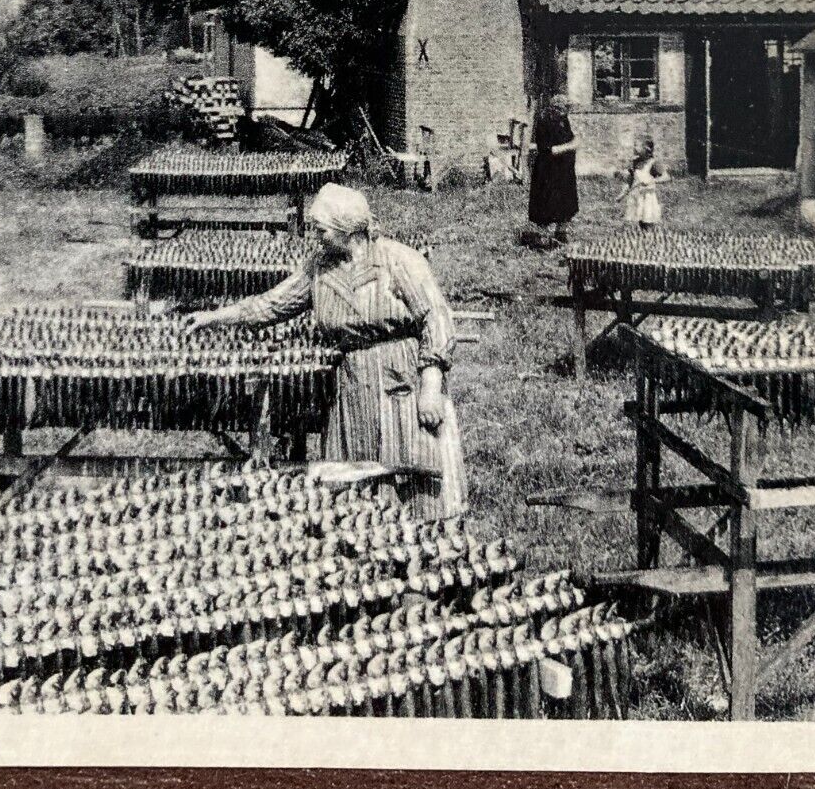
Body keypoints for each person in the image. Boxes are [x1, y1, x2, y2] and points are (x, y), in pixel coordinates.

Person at [187, 182, 467, 520]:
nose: (315, 236)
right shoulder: (320, 267)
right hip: (352, 386)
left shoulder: (398, 260)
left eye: (320, 229)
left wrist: (431, 386)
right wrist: (213, 317)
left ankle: (426, 542)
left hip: (401, 382)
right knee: (353, 476)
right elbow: (271, 305)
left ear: (347, 229)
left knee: (411, 466)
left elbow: (435, 318)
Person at [528, 91, 579, 246]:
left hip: (564, 168)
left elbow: (569, 137)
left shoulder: (563, 119)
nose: (567, 111)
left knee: (565, 200)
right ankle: (542, 238)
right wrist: (570, 146)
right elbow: (548, 149)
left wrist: (573, 142)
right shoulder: (545, 120)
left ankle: (560, 233)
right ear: (557, 107)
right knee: (547, 199)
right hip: (549, 168)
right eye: (565, 107)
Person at [619, 137, 668, 228]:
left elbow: (666, 177)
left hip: (647, 196)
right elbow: (630, 179)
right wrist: (622, 193)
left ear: (646, 149)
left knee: (647, 218)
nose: (634, 148)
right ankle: (641, 236)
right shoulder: (635, 163)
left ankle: (649, 235)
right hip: (636, 195)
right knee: (636, 218)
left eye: (637, 146)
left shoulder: (653, 163)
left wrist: (651, 181)